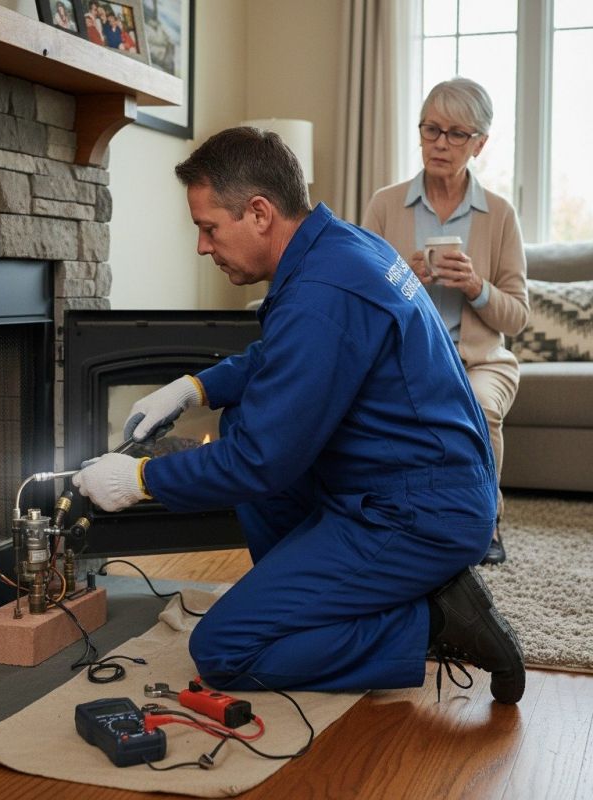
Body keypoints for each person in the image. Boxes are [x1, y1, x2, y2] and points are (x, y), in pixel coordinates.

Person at [73, 127, 525, 704]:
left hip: (418, 512)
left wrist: (138, 481)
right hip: (413, 483)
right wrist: (195, 388)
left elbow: (259, 462)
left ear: (259, 212)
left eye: (209, 228)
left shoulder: (323, 292)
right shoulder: (339, 247)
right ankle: (317, 598)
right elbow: (280, 357)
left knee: (225, 650)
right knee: (239, 417)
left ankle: (436, 622)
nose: (202, 247)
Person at [362, 78, 529, 566]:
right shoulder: (385, 204)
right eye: (431, 128)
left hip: (480, 361)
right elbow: (357, 299)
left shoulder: (499, 214)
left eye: (457, 133)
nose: (440, 142)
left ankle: (486, 519)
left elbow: (517, 317)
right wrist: (400, 279)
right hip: (404, 358)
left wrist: (476, 285)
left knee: (478, 405)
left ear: (480, 143)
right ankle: (393, 518)